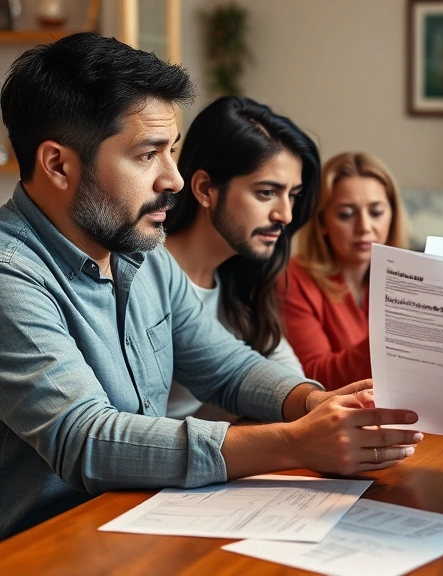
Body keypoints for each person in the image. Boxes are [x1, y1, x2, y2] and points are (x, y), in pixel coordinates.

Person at [0, 33, 421, 540]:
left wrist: (313, 403)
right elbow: (85, 439)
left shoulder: (143, 255)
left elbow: (229, 367)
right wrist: (294, 442)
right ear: (58, 164)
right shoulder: (12, 273)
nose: (173, 179)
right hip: (44, 547)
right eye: (147, 155)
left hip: (138, 525)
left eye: (171, 152)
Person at [163, 96, 316, 419]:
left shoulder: (243, 278)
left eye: (293, 195)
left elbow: (287, 376)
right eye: (266, 193)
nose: (286, 215)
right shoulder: (144, 273)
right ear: (205, 189)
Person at [279, 152, 408, 388]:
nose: (364, 227)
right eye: (346, 214)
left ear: (393, 215)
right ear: (322, 222)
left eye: (376, 212)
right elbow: (314, 378)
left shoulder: (405, 279)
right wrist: (390, 340)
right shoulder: (292, 280)